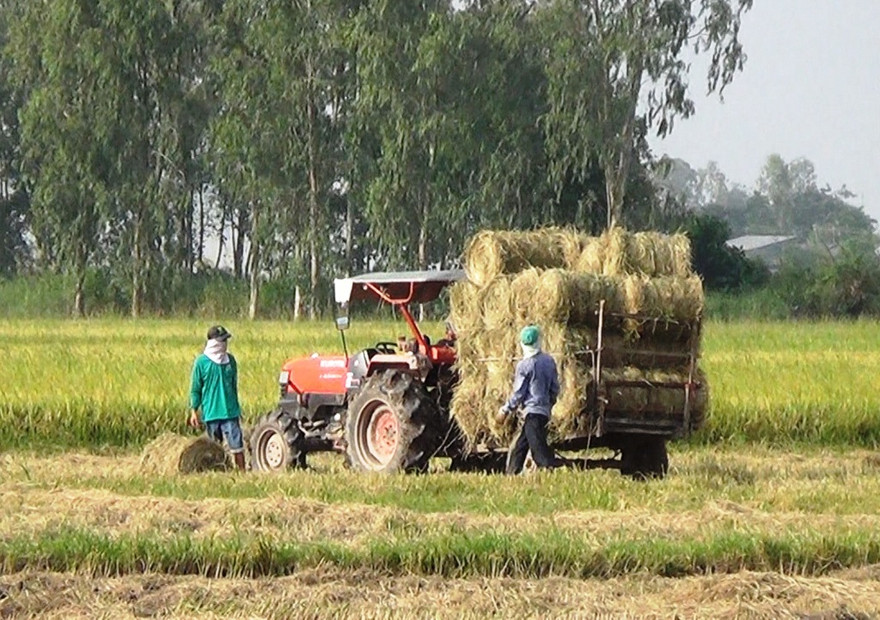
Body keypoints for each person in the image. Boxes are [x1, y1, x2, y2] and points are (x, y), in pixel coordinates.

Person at [496, 324, 561, 474]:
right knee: (521, 444)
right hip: (544, 410)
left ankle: (547, 470)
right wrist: (550, 402)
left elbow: (518, 393)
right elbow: (555, 387)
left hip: (532, 411)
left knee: (537, 447)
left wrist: (505, 410)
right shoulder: (549, 361)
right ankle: (512, 471)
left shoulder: (524, 365)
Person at [189, 325, 246, 470]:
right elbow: (196, 388)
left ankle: (242, 471)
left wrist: (238, 409)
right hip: (211, 412)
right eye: (221, 341)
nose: (225, 344)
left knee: (237, 445)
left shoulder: (230, 361)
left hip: (230, 412)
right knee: (214, 448)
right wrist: (194, 411)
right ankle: (218, 471)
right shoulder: (201, 363)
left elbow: (233, 386)